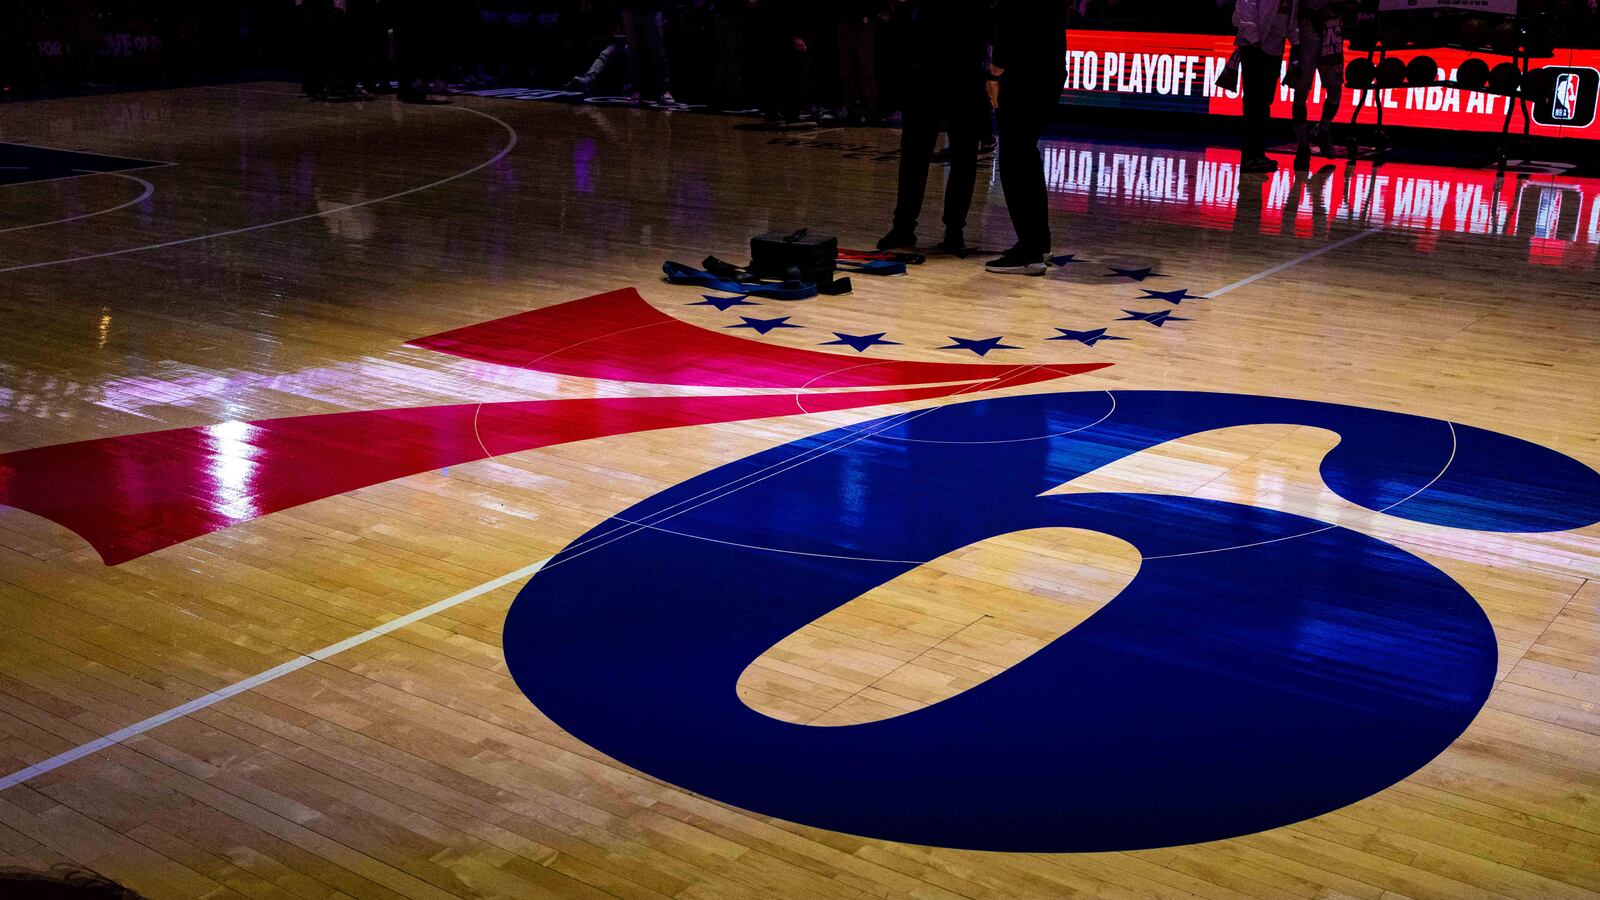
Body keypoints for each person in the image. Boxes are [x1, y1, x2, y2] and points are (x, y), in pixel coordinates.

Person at [875, 0, 990, 257]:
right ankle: (910, 227)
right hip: (929, 75)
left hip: (959, 76)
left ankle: (951, 230)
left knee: (958, 158)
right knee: (920, 157)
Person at [983, 0, 1068, 276]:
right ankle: (1038, 243)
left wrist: (995, 70)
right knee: (1025, 155)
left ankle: (1030, 253)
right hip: (1049, 69)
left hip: (1026, 73)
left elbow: (1015, 22)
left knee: (1015, 159)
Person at [1232, 0, 1292, 174]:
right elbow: (1245, 9)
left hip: (1273, 49)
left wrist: (1295, 42)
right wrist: (1254, 40)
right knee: (1254, 104)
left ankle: (1257, 154)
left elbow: (1289, 17)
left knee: (1263, 104)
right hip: (1254, 47)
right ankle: (1250, 157)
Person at [1289, 0, 1346, 169]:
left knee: (1335, 89)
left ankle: (1323, 130)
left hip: (1332, 27)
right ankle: (1302, 144)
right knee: (1301, 91)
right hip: (1308, 28)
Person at [620, 0, 674, 104]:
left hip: (652, 7)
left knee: (657, 50)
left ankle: (664, 89)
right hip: (629, 6)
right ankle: (636, 89)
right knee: (634, 51)